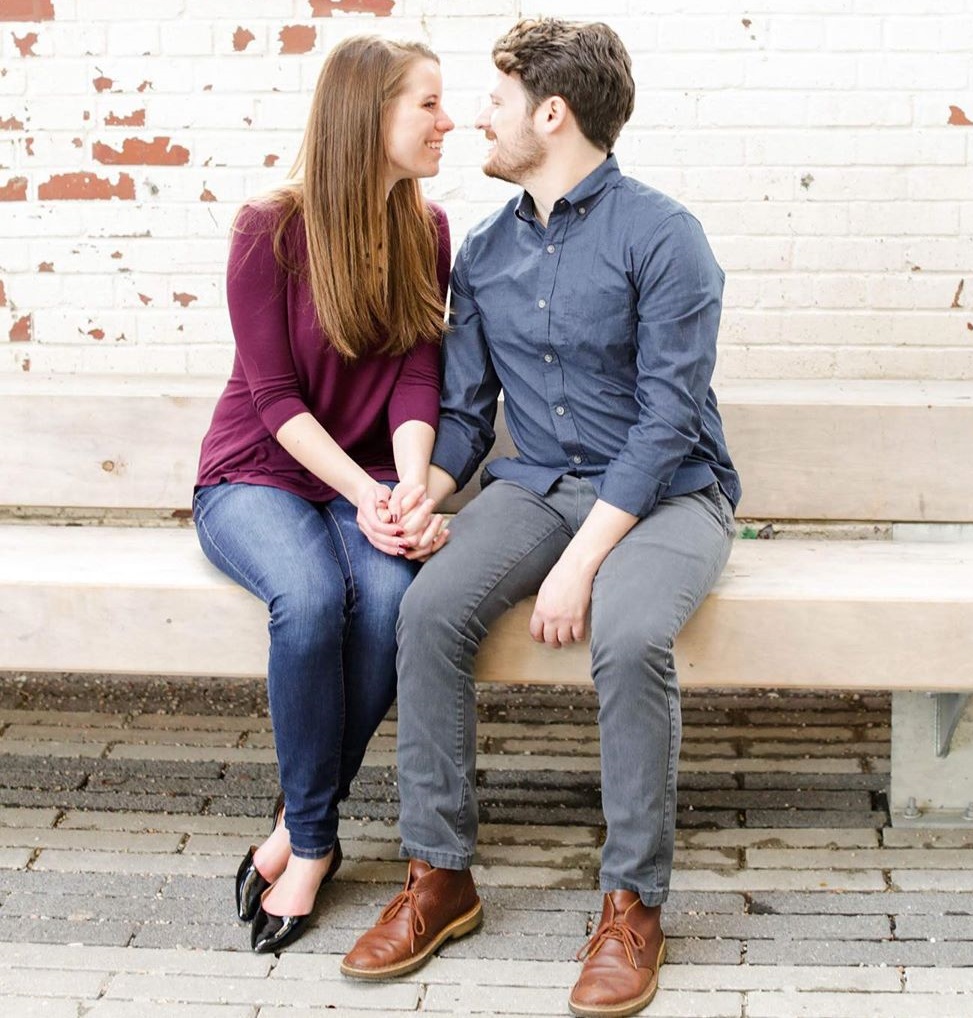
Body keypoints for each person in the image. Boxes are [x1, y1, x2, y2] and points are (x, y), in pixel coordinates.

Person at [341, 17, 740, 1018]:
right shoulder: (482, 252)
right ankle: (440, 877)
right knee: (428, 610)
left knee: (630, 632)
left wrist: (581, 564)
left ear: (552, 114)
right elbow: (468, 414)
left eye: (498, 101)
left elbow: (667, 424)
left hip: (669, 494)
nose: (479, 117)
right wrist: (424, 493)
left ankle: (632, 905)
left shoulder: (665, 237)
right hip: (536, 486)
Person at [192, 34, 454, 954]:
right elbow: (274, 400)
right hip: (255, 472)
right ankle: (312, 845)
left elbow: (418, 376)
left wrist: (408, 489)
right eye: (428, 103)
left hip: (368, 480)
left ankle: (295, 824)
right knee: (308, 600)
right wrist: (365, 489)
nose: (449, 122)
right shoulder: (267, 229)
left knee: (387, 604)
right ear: (368, 114)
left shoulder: (426, 229)